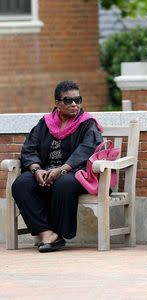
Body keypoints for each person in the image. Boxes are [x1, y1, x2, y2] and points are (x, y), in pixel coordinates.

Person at [12, 80, 103, 253]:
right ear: (57, 104)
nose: (74, 104)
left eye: (78, 100)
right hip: (45, 170)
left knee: (63, 183)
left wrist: (62, 170)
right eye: (68, 100)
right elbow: (29, 148)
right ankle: (48, 234)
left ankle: (58, 233)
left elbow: (88, 149)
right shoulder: (45, 123)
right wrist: (36, 169)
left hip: (75, 172)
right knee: (21, 184)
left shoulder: (87, 123)